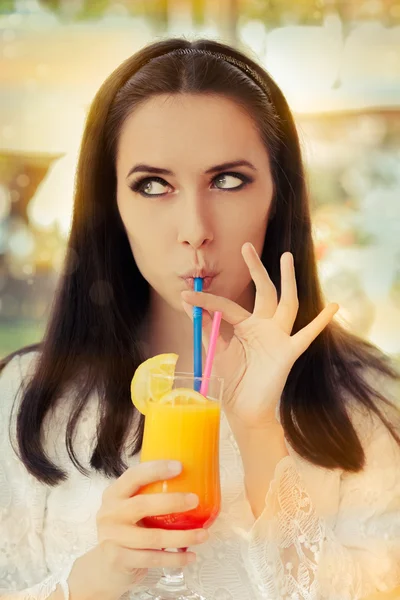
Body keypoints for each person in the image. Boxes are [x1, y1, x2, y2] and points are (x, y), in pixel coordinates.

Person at [1, 37, 400, 600]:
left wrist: (258, 429)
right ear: (110, 204)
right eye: (153, 185)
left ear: (278, 197)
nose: (195, 227)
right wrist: (99, 574)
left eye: (228, 180)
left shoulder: (371, 403)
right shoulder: (24, 400)